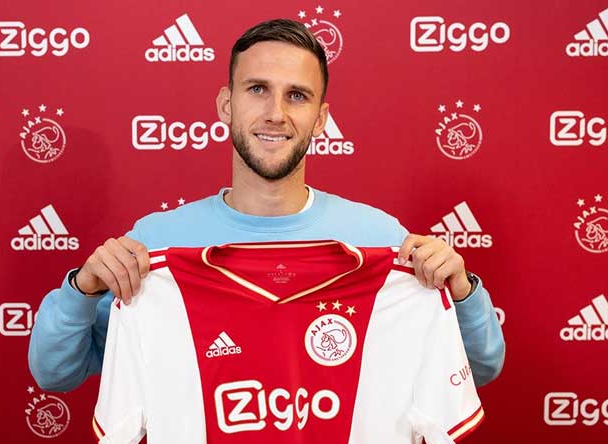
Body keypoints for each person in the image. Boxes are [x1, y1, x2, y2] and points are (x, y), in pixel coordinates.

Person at [28, 19, 504, 393]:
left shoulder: (381, 240)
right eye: (257, 89)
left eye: (297, 96)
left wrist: (461, 293)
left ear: (320, 119)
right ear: (226, 104)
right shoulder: (155, 244)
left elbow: (478, 370)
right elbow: (55, 374)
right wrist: (82, 289)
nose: (276, 113)